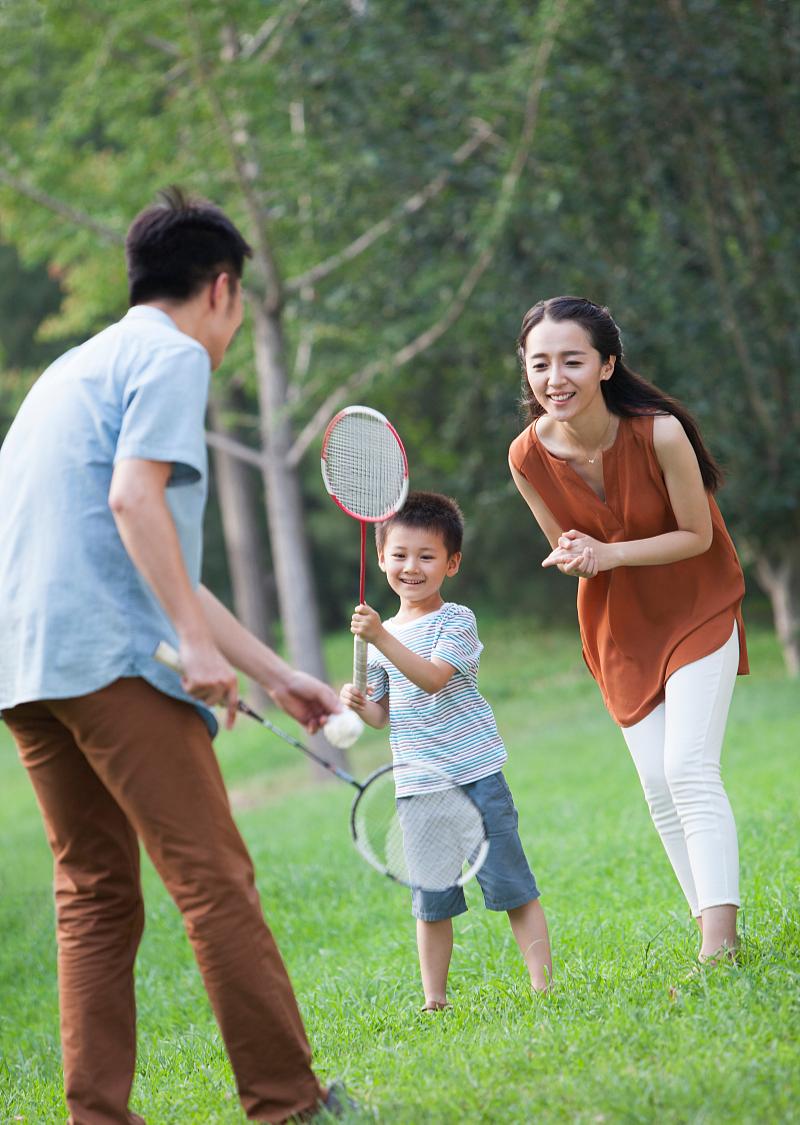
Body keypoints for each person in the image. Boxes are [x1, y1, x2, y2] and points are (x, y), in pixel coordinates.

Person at [0, 188, 355, 1124]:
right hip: (114, 663)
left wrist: (276, 676)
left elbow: (150, 556)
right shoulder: (170, 355)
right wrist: (194, 652)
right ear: (223, 290)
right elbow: (133, 503)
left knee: (93, 895)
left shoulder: (71, 371)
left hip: (29, 671)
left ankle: (97, 1119)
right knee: (212, 878)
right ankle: (290, 1104)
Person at [508, 295, 748, 964]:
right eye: (540, 363)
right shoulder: (526, 455)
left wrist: (609, 554)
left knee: (688, 767)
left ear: (607, 364)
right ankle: (707, 919)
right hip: (619, 629)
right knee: (656, 786)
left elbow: (698, 535)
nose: (554, 377)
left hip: (697, 605)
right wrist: (576, 556)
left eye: (572, 361)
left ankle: (718, 944)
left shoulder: (661, 432)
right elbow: (570, 547)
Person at [340, 491, 552, 1008]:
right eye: (400, 555)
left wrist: (382, 641)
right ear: (382, 557)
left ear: (451, 563)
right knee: (430, 902)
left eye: (427, 556)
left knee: (511, 887)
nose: (411, 567)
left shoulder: (457, 620)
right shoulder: (381, 633)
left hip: (475, 774)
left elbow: (433, 679)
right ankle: (434, 999)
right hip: (419, 788)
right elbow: (382, 716)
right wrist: (358, 702)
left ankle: (544, 987)